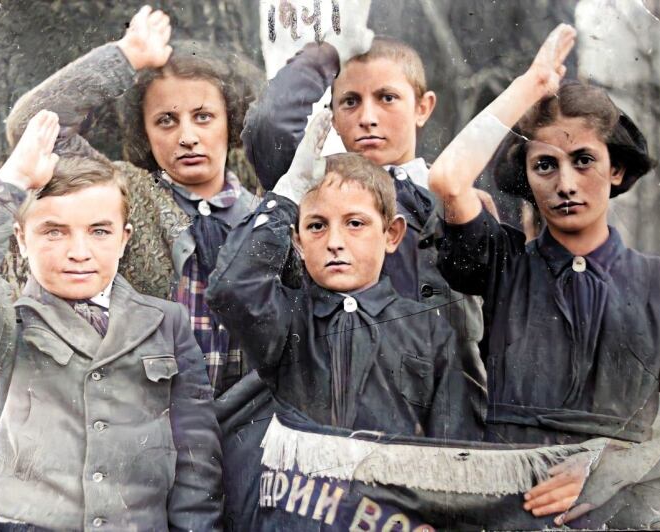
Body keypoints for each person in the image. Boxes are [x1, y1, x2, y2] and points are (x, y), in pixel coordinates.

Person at [0, 111, 222, 530]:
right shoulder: (5, 326)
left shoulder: (166, 322)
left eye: (99, 231)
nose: (78, 251)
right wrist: (14, 179)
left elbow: (196, 455)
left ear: (125, 238)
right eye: (54, 232)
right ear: (21, 240)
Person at [428, 24, 660, 523]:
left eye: (584, 160)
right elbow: (447, 178)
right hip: (510, 512)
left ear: (617, 170)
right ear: (528, 179)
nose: (565, 184)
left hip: (619, 512)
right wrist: (532, 86)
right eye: (545, 165)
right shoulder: (506, 267)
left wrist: (610, 468)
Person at [6, 6, 261, 396]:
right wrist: (125, 58)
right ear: (143, 132)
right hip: (148, 424)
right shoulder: (126, 191)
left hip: (247, 428)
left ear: (230, 119)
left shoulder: (263, 216)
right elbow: (30, 126)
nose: (187, 136)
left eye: (204, 116)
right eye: (166, 121)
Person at [207, 111, 485, 439]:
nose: (335, 243)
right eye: (316, 226)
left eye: (355, 223)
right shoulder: (289, 318)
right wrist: (287, 195)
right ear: (298, 241)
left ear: (392, 234)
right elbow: (231, 288)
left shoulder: (427, 330)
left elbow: (452, 445)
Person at [241, 0, 485, 372]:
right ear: (334, 117)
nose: (368, 118)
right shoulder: (316, 191)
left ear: (423, 107)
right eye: (350, 102)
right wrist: (327, 55)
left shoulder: (459, 200)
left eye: (387, 98)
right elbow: (269, 126)